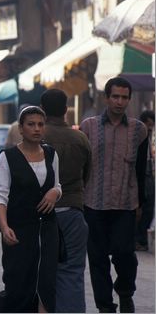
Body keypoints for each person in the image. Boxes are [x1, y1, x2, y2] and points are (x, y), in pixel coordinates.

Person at [80, 77, 147, 313]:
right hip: (93, 203)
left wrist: (142, 204)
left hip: (125, 204)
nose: (120, 102)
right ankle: (105, 306)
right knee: (97, 259)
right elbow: (82, 165)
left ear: (129, 99)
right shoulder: (88, 126)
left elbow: (141, 169)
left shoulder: (139, 130)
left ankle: (125, 291)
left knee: (124, 254)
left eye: (124, 97)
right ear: (106, 97)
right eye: (115, 96)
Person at [0, 106, 62, 313]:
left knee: (46, 284)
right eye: (31, 124)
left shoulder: (51, 154)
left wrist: (54, 193)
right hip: (19, 230)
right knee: (18, 284)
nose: (37, 129)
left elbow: (58, 185)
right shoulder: (8, 157)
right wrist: (4, 226)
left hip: (48, 231)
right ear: (21, 129)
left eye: (40, 124)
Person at [41, 89, 92, 312]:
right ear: (65, 109)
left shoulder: (37, 137)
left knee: (40, 270)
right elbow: (87, 175)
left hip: (41, 213)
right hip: (73, 210)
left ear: (42, 110)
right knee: (72, 272)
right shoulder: (80, 138)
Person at [135, 110, 155, 251]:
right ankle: (138, 239)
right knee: (142, 207)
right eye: (148, 124)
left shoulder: (148, 136)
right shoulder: (138, 135)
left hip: (149, 174)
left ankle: (141, 239)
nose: (149, 127)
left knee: (149, 208)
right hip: (143, 174)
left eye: (151, 125)